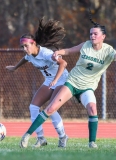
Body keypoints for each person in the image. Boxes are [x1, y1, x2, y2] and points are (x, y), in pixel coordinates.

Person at [19, 15, 116, 149]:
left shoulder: (108, 50)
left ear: (103, 36)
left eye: (95, 34)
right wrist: (58, 52)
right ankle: (27, 135)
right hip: (72, 82)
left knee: (92, 108)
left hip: (88, 87)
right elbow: (69, 50)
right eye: (91, 34)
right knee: (51, 108)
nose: (92, 36)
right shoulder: (86, 45)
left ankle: (92, 143)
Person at [6, 17, 69, 148]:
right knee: (33, 107)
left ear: (34, 43)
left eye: (26, 46)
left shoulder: (46, 53)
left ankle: (63, 137)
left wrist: (56, 80)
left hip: (62, 79)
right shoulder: (29, 55)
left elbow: (63, 63)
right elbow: (25, 58)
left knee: (51, 108)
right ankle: (41, 138)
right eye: (22, 46)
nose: (24, 49)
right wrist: (15, 67)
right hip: (49, 81)